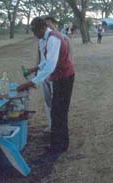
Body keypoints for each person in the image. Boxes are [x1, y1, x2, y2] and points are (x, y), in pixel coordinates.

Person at [18, 17, 75, 157]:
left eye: (35, 31)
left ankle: (57, 147)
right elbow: (45, 62)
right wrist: (33, 70)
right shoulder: (45, 39)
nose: (34, 34)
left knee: (58, 112)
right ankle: (62, 144)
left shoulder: (53, 39)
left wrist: (30, 83)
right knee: (58, 112)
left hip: (65, 77)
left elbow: (50, 66)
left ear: (42, 28)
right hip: (59, 77)